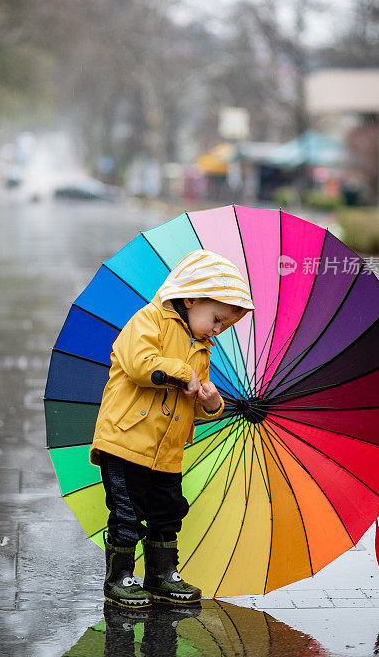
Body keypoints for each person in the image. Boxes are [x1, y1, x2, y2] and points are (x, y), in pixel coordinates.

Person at [90, 249, 255, 609]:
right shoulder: (150, 320)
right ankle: (119, 577)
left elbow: (193, 400)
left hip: (167, 450)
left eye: (223, 327)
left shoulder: (202, 347)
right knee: (127, 512)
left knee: (168, 511)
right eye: (216, 319)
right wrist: (183, 374)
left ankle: (161, 575)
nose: (216, 330)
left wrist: (211, 402)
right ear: (192, 295)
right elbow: (139, 365)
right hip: (126, 441)